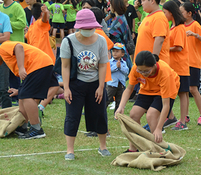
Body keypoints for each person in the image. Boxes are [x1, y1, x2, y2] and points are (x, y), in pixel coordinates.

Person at [61, 9, 110, 160]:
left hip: (95, 83)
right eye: (85, 28)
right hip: (76, 84)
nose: (88, 30)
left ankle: (103, 146)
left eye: (91, 27)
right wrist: (67, 88)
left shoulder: (101, 40)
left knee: (100, 114)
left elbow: (102, 65)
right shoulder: (68, 41)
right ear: (78, 27)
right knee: (72, 115)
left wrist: (101, 87)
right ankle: (70, 150)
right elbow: (66, 66)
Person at [0, 41, 58, 139]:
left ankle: (36, 129)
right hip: (42, 63)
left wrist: (21, 67)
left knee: (26, 95)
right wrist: (20, 90)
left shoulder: (2, 48)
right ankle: (22, 126)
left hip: (37, 65)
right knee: (23, 94)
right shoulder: (6, 57)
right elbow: (55, 86)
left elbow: (18, 47)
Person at [114, 51, 179, 147]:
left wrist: (158, 128)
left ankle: (158, 148)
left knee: (151, 115)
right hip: (147, 89)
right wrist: (121, 106)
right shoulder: (136, 68)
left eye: (146, 71)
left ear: (153, 65)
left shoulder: (164, 72)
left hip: (165, 90)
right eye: (141, 71)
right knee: (133, 114)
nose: (143, 73)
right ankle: (133, 148)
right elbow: (129, 89)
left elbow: (166, 105)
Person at [162, 0, 190, 131]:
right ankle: (172, 117)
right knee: (170, 92)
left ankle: (183, 120)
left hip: (180, 66)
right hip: (172, 66)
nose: (164, 15)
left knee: (182, 93)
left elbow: (178, 47)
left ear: (171, 13)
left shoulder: (179, 28)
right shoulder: (172, 27)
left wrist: (165, 47)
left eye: (165, 12)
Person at [181, 2, 201, 126]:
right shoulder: (180, 26)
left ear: (189, 13)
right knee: (184, 90)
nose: (180, 14)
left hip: (193, 62)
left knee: (193, 89)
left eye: (181, 12)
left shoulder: (195, 25)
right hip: (183, 62)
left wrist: (195, 35)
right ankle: (185, 115)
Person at [106, 43, 129, 113]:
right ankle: (102, 112)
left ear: (122, 54)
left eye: (117, 51)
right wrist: (116, 66)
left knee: (119, 100)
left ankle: (117, 114)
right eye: (113, 51)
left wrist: (120, 67)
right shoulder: (109, 62)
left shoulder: (124, 63)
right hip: (111, 84)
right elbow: (108, 71)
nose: (115, 53)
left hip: (121, 84)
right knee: (108, 99)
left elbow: (126, 72)